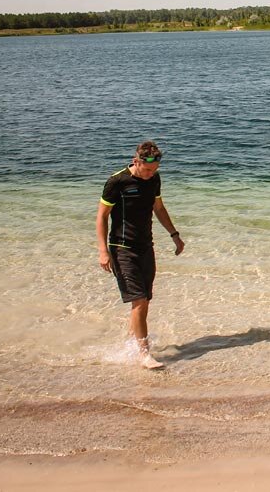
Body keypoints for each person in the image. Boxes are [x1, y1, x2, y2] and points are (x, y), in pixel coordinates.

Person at [96, 141, 185, 369]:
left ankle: (131, 345)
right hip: (122, 248)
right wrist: (103, 251)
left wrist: (174, 234)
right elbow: (102, 217)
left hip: (146, 247)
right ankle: (144, 355)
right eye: (147, 170)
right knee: (139, 300)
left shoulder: (154, 179)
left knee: (144, 301)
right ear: (136, 161)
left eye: (154, 170)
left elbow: (159, 208)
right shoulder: (117, 182)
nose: (150, 175)